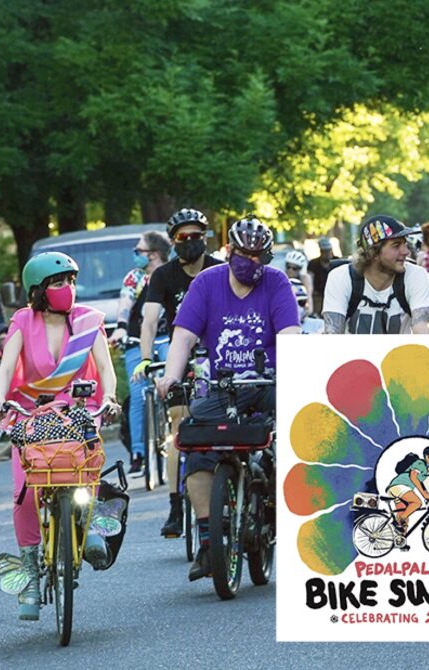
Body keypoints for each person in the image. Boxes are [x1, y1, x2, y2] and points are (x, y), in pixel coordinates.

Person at [153, 218, 300, 581]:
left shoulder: (276, 283)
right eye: (243, 253)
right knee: (195, 445)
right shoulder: (206, 283)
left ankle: (283, 512)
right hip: (221, 387)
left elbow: (290, 334)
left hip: (268, 383)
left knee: (294, 444)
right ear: (228, 251)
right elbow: (184, 337)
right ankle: (208, 539)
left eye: (257, 255)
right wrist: (171, 376)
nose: (250, 261)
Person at [0, 252, 121, 620]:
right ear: (38, 291)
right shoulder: (23, 321)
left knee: (87, 462)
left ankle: (90, 521)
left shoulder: (88, 321)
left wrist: (109, 398)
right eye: (59, 283)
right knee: (26, 492)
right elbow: (6, 368)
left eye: (72, 282)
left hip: (75, 410)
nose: (68, 289)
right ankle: (31, 573)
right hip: (31, 414)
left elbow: (106, 370)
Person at [138, 208, 224, 537]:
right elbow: (148, 321)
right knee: (180, 426)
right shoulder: (163, 276)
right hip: (181, 355)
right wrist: (146, 359)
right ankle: (176, 505)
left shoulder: (221, 269)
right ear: (173, 242)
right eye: (182, 238)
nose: (190, 243)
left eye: (196, 237)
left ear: (206, 239)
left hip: (219, 356)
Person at [107, 229, 171, 474]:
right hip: (136, 339)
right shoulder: (135, 277)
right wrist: (121, 328)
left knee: (173, 387)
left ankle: (177, 441)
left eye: (139, 251)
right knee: (137, 394)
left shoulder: (171, 274)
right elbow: (125, 305)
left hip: (167, 339)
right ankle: (138, 452)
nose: (135, 255)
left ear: (153, 254)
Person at [323, 214, 429, 335]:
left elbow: (422, 331)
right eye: (396, 245)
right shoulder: (341, 277)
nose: (406, 252)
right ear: (373, 253)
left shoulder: (415, 275)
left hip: (399, 353)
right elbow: (332, 335)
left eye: (405, 244)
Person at [387, 447, 429, 538]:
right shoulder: (420, 464)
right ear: (428, 457)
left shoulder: (427, 468)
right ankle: (398, 521)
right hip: (399, 486)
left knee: (404, 521)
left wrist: (428, 494)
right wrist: (424, 495)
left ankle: (400, 541)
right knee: (417, 503)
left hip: (398, 488)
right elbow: (413, 477)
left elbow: (420, 483)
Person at [309, 238, 340, 317]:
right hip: (318, 296)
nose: (328, 253)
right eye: (325, 251)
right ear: (321, 251)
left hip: (335, 295)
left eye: (329, 250)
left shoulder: (338, 262)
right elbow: (310, 278)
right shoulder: (313, 264)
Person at [283, 250, 316, 316]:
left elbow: (308, 303)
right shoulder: (281, 277)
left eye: (295, 268)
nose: (290, 270)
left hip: (300, 314)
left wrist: (305, 313)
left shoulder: (304, 278)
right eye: (288, 267)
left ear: (301, 269)